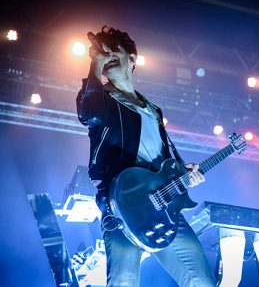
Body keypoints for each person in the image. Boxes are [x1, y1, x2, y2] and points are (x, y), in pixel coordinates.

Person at [76, 26, 216, 287]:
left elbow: (162, 160)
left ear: (132, 60)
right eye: (101, 51)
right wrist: (95, 64)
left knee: (201, 281)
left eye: (112, 50)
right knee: (123, 282)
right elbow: (90, 115)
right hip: (121, 203)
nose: (106, 55)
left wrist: (184, 174)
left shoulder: (153, 109)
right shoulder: (102, 97)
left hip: (163, 204)